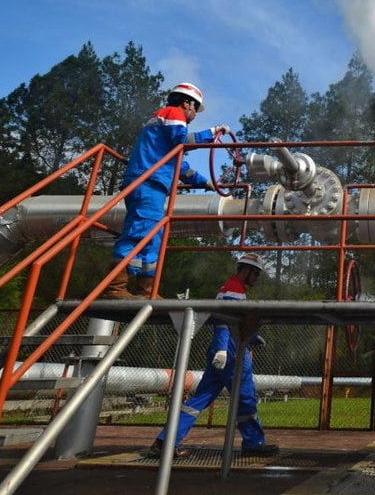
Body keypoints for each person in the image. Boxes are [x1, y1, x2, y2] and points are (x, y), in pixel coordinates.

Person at [102, 82, 231, 299]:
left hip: (152, 182)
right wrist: (212, 132)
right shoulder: (172, 113)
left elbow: (177, 163)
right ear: (186, 102)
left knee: (153, 235)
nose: (194, 115)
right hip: (147, 181)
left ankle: (147, 289)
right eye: (195, 108)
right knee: (138, 231)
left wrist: (203, 182)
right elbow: (182, 142)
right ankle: (115, 287)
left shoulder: (166, 127)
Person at [146, 253, 279, 458]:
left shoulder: (232, 287)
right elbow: (224, 319)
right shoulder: (235, 289)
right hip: (232, 353)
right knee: (245, 399)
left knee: (200, 399)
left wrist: (252, 337)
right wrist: (223, 348)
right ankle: (253, 442)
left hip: (225, 349)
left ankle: (164, 441)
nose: (257, 278)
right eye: (256, 273)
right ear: (246, 271)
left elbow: (236, 320)